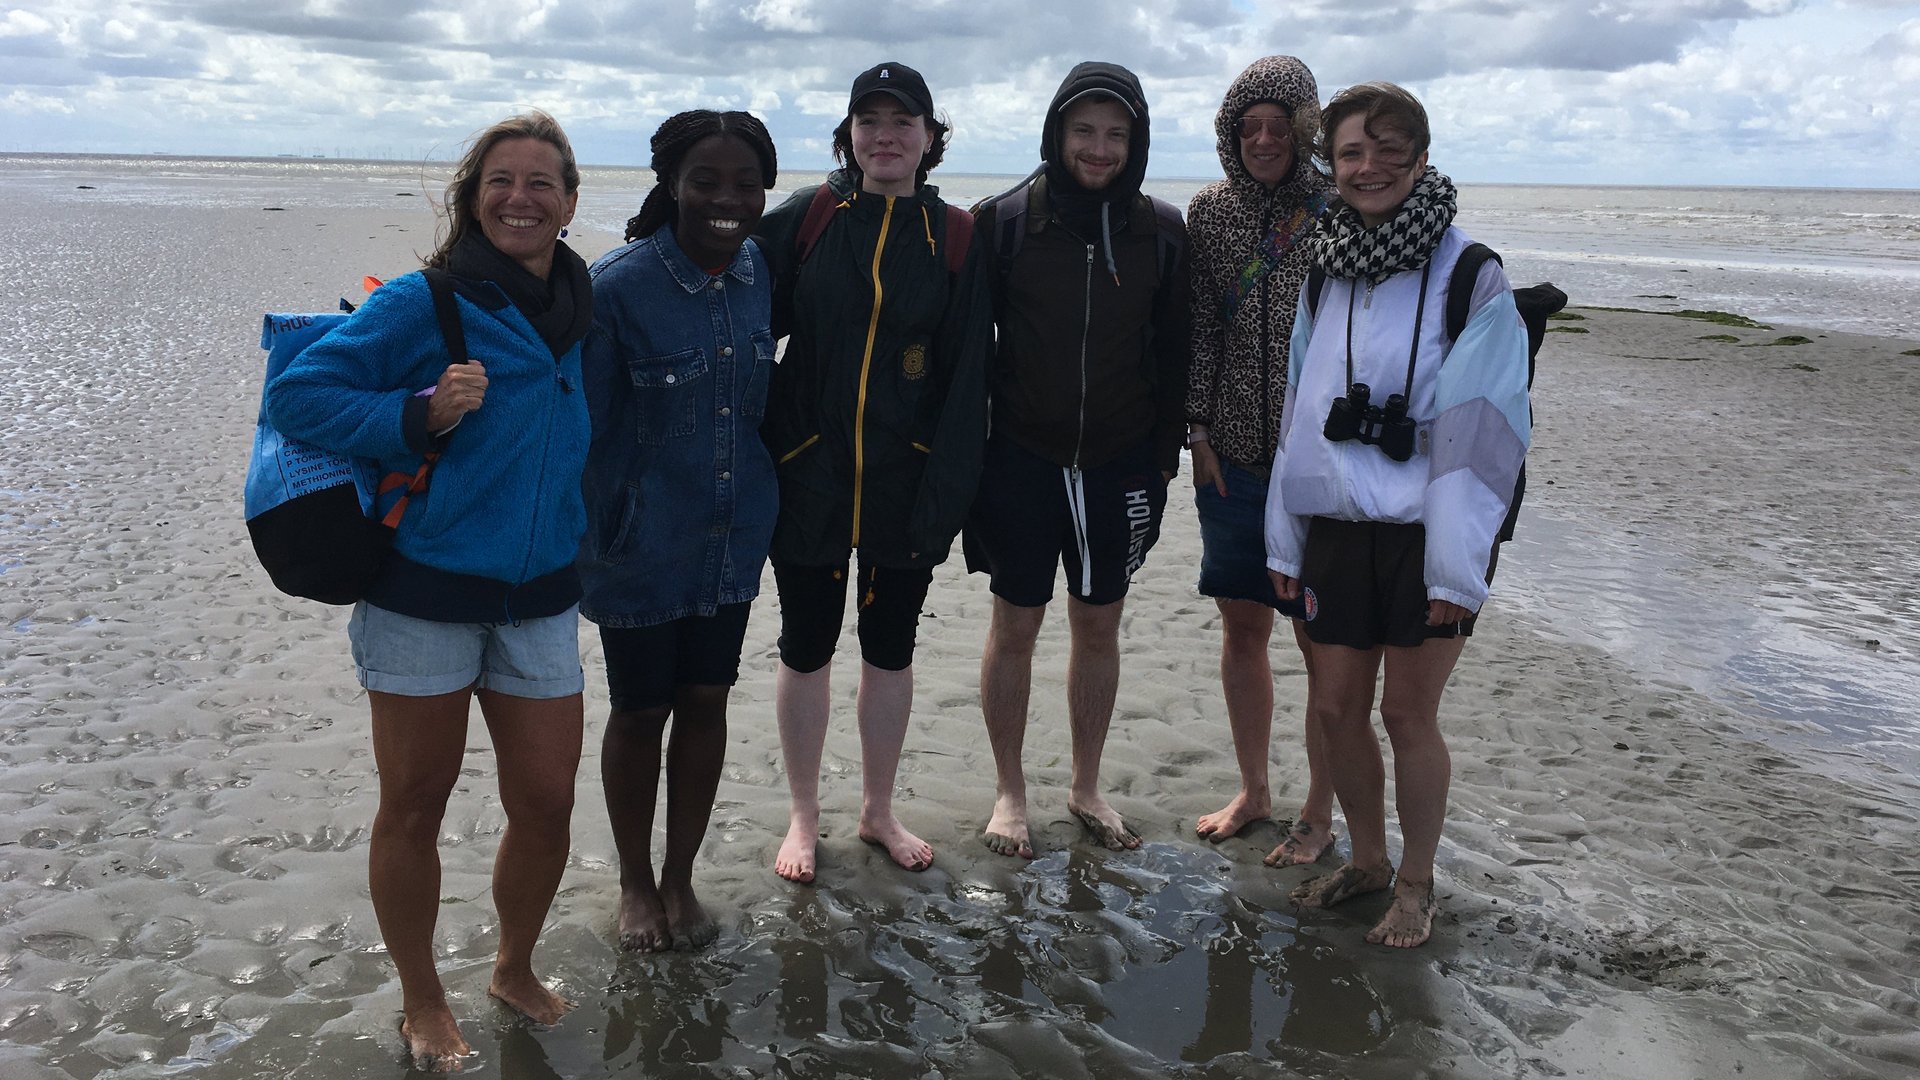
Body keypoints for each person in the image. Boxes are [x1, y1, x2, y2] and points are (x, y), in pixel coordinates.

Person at [265, 111, 591, 1068]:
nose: (519, 198)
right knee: (414, 802)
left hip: (540, 597)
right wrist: (416, 413)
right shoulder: (427, 301)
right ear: (472, 195)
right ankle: (420, 998)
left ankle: (514, 967)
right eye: (500, 180)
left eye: (541, 183)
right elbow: (299, 392)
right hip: (421, 595)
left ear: (571, 203)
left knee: (548, 804)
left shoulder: (587, 307)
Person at [1265, 82, 1531, 947]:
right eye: (1350, 151)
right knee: (1337, 708)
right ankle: (1369, 858)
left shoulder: (1469, 274)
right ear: (1329, 166)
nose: (1368, 166)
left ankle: (1416, 885)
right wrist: (1286, 534)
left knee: (1408, 716)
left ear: (1421, 158)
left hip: (1430, 535)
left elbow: (1482, 432)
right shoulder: (1325, 268)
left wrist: (1457, 567)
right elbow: (1300, 410)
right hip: (1338, 527)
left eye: (1388, 148)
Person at [752, 62, 992, 883]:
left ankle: (878, 809)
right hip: (809, 477)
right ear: (848, 135)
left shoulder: (955, 235)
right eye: (869, 120)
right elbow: (733, 305)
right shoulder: (811, 217)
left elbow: (967, 382)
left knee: (891, 648)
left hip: (904, 484)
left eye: (903, 121)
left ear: (929, 139)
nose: (885, 135)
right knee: (806, 645)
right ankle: (804, 815)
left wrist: (945, 491)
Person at [966, 61, 1190, 858]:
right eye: (1085, 130)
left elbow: (1175, 354)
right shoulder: (1002, 223)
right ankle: (1010, 792)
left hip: (1120, 462)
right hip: (1021, 458)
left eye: (1116, 134)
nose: (1099, 149)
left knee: (1099, 624)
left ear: (1137, 142)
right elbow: (970, 354)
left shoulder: (1162, 233)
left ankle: (1087, 785)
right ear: (1058, 132)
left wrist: (1162, 459)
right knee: (1015, 624)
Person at [579, 110, 779, 951]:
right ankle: (633, 884)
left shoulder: (758, 270)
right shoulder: (617, 285)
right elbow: (582, 425)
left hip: (733, 529)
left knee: (707, 700)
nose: (726, 199)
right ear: (670, 184)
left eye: (746, 182)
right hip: (639, 536)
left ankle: (679, 879)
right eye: (707, 180)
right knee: (640, 710)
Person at [1184, 56, 1339, 866]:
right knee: (1244, 629)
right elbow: (1202, 326)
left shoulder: (1342, 207)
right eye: (1251, 128)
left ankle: (1318, 807)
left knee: (1320, 641)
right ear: (1230, 134)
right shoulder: (1208, 213)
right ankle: (1255, 789)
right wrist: (1198, 432)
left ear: (1306, 130)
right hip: (1234, 462)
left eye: (1282, 126)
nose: (1266, 140)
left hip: (1319, 472)